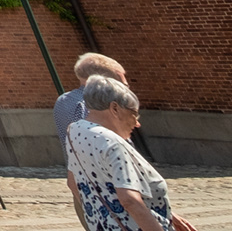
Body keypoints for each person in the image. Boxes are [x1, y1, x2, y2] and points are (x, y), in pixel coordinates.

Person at [66, 76, 197, 231]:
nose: (137, 122)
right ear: (115, 108)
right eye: (134, 113)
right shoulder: (112, 143)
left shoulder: (76, 131)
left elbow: (73, 182)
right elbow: (129, 200)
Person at [58, 52, 127, 144]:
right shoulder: (89, 105)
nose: (125, 91)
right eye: (120, 85)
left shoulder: (64, 100)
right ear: (102, 81)